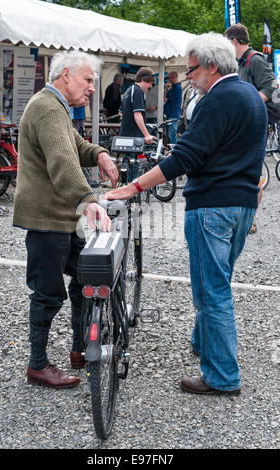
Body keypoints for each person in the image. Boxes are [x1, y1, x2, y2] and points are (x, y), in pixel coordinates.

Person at [104, 32, 268, 395]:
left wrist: (134, 186)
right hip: (242, 204)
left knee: (212, 291)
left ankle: (222, 376)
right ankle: (203, 340)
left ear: (211, 65)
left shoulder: (216, 100)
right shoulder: (250, 97)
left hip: (213, 205)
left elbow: (185, 160)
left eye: (191, 69)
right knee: (219, 278)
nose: (188, 76)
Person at [13, 50, 118, 389]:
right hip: (47, 218)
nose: (92, 88)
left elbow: (76, 146)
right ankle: (38, 365)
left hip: (61, 216)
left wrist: (100, 153)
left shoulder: (56, 107)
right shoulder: (47, 108)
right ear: (66, 75)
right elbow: (63, 162)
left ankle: (79, 348)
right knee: (48, 293)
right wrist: (89, 200)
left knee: (85, 277)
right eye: (88, 80)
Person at [224, 23, 278, 234]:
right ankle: (239, 215)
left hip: (255, 124)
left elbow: (272, 86)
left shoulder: (254, 60)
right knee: (236, 170)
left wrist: (251, 104)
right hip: (240, 125)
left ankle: (251, 218)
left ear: (235, 41)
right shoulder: (237, 62)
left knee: (252, 173)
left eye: (227, 41)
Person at [119, 67, 155, 144]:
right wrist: (147, 135)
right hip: (134, 138)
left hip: (124, 136)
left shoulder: (128, 90)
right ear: (144, 79)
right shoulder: (138, 91)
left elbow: (121, 113)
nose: (150, 86)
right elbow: (137, 114)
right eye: (150, 83)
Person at [164, 71, 183, 144]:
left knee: (172, 134)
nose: (168, 80)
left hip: (173, 114)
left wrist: (166, 88)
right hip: (171, 113)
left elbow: (165, 98)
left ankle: (174, 150)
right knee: (170, 134)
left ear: (174, 78)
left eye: (169, 78)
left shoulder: (177, 88)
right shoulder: (174, 87)